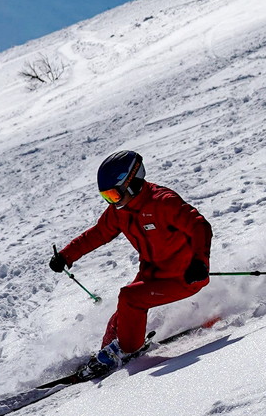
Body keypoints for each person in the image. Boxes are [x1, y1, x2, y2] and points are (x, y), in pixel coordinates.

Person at [49, 150, 212, 378]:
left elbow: (199, 226)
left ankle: (127, 351)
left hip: (184, 276)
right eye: (106, 197)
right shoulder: (120, 211)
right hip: (152, 275)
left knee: (130, 298)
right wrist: (66, 256)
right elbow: (98, 233)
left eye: (114, 195)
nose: (111, 202)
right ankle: (107, 353)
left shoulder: (162, 202)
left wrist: (200, 262)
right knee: (117, 321)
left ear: (132, 183)